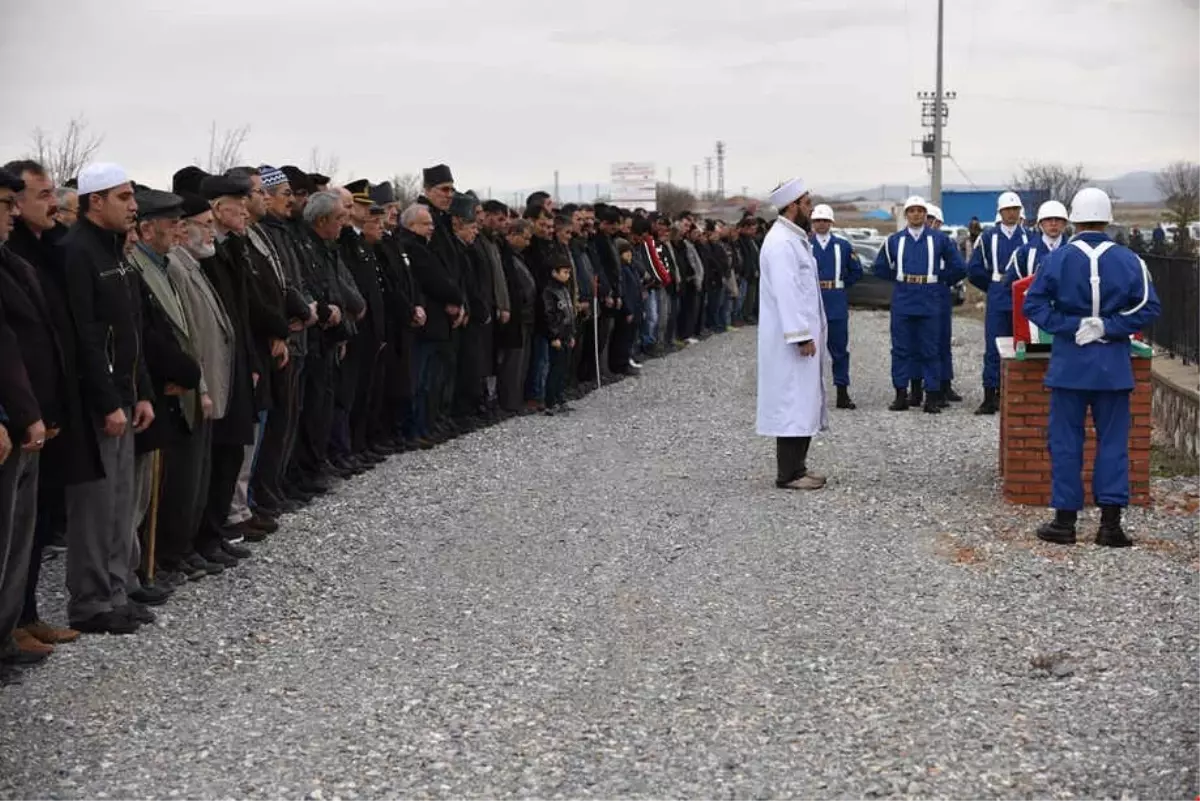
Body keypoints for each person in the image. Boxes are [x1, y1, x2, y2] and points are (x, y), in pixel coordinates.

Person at [1023, 188, 1160, 547]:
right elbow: (1148, 307)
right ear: (1107, 218)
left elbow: (1033, 305)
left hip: (1070, 363)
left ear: (1075, 219)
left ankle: (1065, 522)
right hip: (1112, 365)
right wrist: (1109, 326)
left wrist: (1072, 327)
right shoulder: (1131, 260)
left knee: (1066, 442)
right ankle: (1110, 526)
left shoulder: (1057, 258)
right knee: (1113, 443)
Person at [60, 163, 156, 634]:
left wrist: (141, 393)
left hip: (125, 394)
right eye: (122, 196)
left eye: (132, 195)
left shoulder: (115, 251)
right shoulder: (76, 252)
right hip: (99, 403)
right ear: (94, 200)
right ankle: (91, 601)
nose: (133, 205)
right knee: (96, 508)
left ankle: (117, 590)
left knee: (120, 501)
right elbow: (86, 336)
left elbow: (131, 331)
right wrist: (107, 400)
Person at [756, 179, 828, 490]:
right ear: (792, 206)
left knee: (803, 400)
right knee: (791, 402)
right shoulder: (780, 243)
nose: (811, 208)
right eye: (806, 202)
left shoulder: (794, 239)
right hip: (791, 341)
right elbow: (787, 293)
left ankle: (798, 466)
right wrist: (800, 335)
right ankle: (788, 474)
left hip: (800, 337)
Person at [872, 196, 966, 413]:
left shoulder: (939, 240)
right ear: (906, 215)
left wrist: (941, 278)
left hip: (930, 298)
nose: (916, 214)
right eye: (912, 211)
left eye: (920, 211)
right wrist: (899, 277)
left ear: (926, 214)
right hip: (904, 299)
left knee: (930, 348)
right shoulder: (894, 241)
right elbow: (880, 267)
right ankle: (900, 394)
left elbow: (959, 267)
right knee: (901, 348)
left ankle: (931, 396)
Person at [968, 191, 1029, 415]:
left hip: (1023, 295)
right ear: (1000, 212)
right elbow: (974, 269)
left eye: (1015, 209)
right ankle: (989, 395)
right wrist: (994, 286)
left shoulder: (1029, 236)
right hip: (997, 293)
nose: (1012, 213)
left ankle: (1017, 392)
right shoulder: (987, 237)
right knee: (993, 346)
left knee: (1022, 345)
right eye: (1007, 209)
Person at [808, 204, 862, 410]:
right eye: (817, 221)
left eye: (825, 221)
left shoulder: (843, 245)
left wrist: (840, 285)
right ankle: (811, 394)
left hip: (836, 300)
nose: (821, 224)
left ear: (831, 223)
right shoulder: (805, 244)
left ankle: (842, 392)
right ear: (812, 223)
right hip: (812, 300)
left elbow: (856, 270)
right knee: (812, 351)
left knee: (839, 349)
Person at [924, 204, 962, 407]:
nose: (928, 223)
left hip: (940, 292)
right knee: (926, 342)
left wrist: (943, 279)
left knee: (942, 341)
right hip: (924, 293)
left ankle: (945, 384)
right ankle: (928, 385)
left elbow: (958, 268)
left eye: (932, 220)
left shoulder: (946, 242)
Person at [541, 259, 577, 415]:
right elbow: (549, 315)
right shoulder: (549, 291)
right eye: (564, 272)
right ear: (554, 272)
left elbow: (569, 313)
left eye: (569, 272)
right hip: (557, 336)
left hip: (566, 334)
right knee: (555, 368)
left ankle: (560, 397)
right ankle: (550, 401)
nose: (567, 275)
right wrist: (553, 336)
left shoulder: (564, 290)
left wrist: (572, 333)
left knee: (564, 368)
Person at [1004, 200, 1068, 286]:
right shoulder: (1024, 252)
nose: (1053, 223)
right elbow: (1011, 285)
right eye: (1048, 219)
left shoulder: (1075, 250)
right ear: (1040, 223)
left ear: (1064, 223)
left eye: (1058, 219)